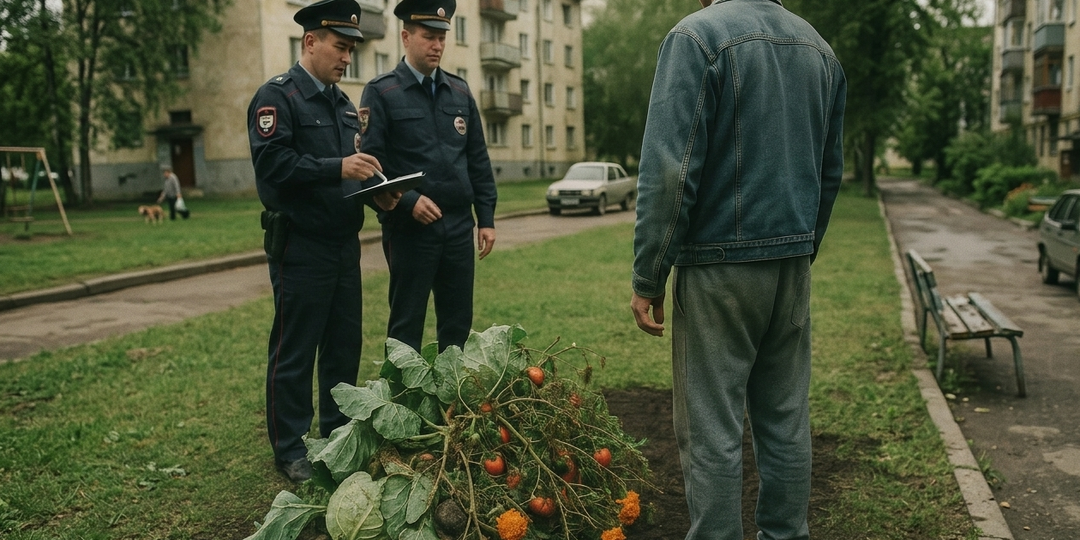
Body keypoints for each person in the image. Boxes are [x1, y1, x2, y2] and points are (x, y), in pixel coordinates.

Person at [630, 1, 846, 539]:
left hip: (717, 267)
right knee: (785, 423)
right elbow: (830, 170)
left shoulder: (696, 38)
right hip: (791, 266)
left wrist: (648, 275)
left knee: (711, 433)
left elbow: (669, 172)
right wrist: (801, 248)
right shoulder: (819, 49)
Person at [246, 0, 400, 483]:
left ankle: (336, 437)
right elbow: (273, 169)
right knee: (296, 348)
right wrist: (338, 167)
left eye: (352, 49)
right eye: (340, 46)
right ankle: (290, 449)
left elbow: (348, 176)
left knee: (342, 346)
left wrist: (378, 196)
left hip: (342, 244)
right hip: (300, 244)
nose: (347, 57)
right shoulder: (279, 98)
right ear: (310, 41)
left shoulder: (341, 104)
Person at [358, 0, 497, 353]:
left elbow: (477, 158)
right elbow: (370, 167)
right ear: (406, 37)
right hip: (410, 231)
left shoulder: (460, 91)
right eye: (428, 37)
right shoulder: (382, 92)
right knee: (406, 325)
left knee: (457, 323)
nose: (437, 45)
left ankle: (452, 405)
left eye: (442, 37)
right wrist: (407, 201)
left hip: (457, 226)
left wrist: (486, 218)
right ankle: (404, 405)